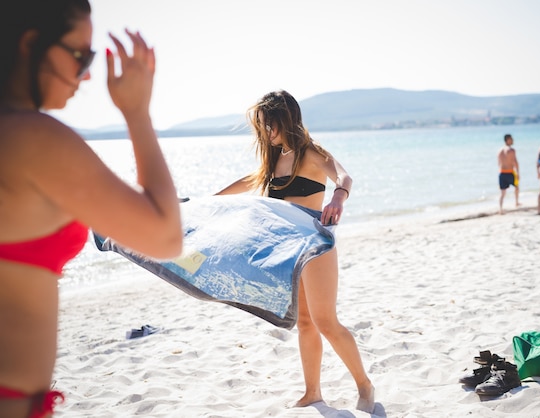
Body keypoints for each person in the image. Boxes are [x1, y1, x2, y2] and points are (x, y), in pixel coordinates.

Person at [0, 1, 183, 417]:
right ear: (31, 44)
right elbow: (166, 236)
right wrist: (137, 112)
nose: (86, 75)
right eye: (80, 56)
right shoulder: (33, 139)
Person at [215, 90, 375, 413]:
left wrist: (338, 198)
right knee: (304, 322)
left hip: (316, 245)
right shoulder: (274, 161)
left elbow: (344, 177)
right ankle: (313, 392)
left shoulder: (312, 153)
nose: (264, 131)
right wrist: (211, 200)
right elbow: (248, 182)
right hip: (289, 249)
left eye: (267, 124)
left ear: (283, 120)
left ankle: (364, 385)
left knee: (326, 321)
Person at [497, 134, 520, 214]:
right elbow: (515, 162)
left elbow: (499, 163)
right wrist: (518, 172)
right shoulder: (511, 150)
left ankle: (500, 208)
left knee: (502, 193)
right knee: (516, 187)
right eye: (511, 139)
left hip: (501, 173)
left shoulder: (500, 151)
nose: (513, 140)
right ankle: (516, 202)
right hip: (510, 172)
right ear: (508, 140)